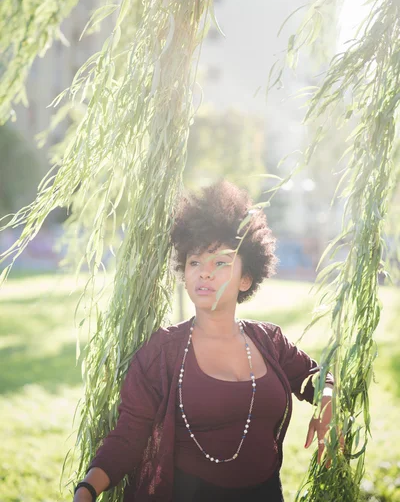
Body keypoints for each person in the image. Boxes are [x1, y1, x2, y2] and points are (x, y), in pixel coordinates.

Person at [73, 181, 334, 502]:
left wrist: (327, 407)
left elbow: (321, 379)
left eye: (220, 262)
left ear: (246, 277)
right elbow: (128, 437)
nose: (204, 272)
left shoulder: (271, 341)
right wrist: (86, 490)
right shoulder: (162, 352)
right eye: (195, 262)